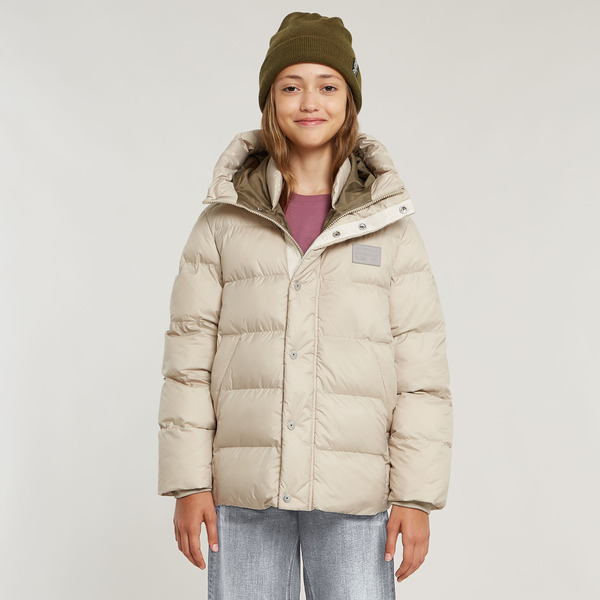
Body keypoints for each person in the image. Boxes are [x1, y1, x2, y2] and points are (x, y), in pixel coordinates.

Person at [157, 11, 453, 600]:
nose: (310, 101)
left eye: (328, 85)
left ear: (350, 99)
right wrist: (189, 483)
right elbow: (188, 363)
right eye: (291, 86)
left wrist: (415, 496)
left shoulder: (390, 226)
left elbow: (422, 373)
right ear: (270, 99)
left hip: (355, 496)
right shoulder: (224, 221)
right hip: (243, 494)